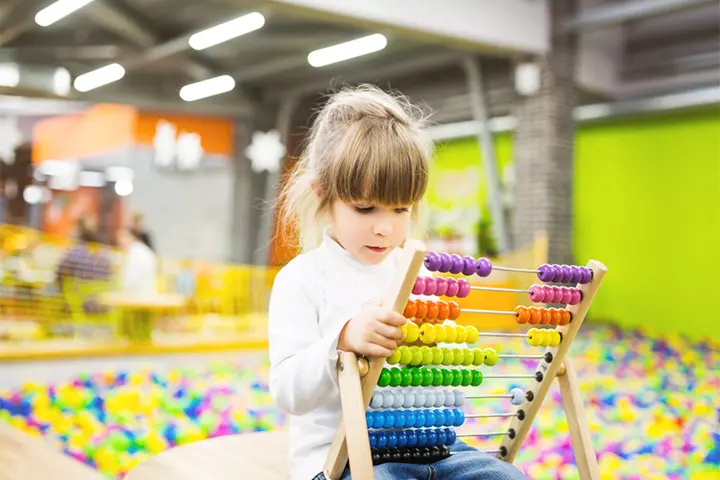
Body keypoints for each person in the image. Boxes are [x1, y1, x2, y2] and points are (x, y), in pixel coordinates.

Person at [268, 85, 529, 480]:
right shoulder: (302, 279)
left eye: (401, 208)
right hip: (341, 457)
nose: (385, 226)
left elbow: (441, 362)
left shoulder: (413, 272)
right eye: (365, 208)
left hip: (429, 444)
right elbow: (287, 391)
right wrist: (343, 341)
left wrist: (434, 345)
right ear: (323, 195)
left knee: (506, 477)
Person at [117, 227, 157, 295]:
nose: (119, 241)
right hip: (143, 294)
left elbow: (131, 279)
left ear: (132, 237)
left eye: (122, 236)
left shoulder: (136, 253)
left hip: (137, 296)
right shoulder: (141, 250)